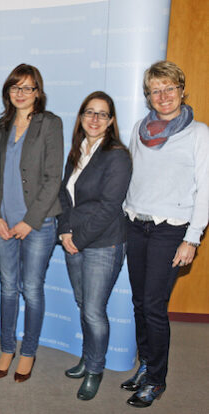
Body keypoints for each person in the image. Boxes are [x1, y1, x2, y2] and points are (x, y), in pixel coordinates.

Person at [121, 60, 209, 408]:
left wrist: (193, 237)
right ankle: (146, 365)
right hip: (136, 224)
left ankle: (157, 379)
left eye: (169, 88)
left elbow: (205, 189)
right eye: (156, 90)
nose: (164, 95)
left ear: (181, 90)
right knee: (140, 302)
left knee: (155, 306)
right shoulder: (140, 129)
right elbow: (133, 176)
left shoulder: (199, 133)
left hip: (170, 230)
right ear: (148, 96)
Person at [0, 63, 63, 382]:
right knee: (8, 288)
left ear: (38, 92)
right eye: (15, 87)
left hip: (39, 224)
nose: (21, 93)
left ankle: (29, 351)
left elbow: (53, 178)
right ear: (8, 92)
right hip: (2, 224)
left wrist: (29, 222)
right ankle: (8, 347)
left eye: (27, 88)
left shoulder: (50, 124)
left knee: (31, 289)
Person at [58, 91, 132, 400]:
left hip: (102, 243)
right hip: (73, 240)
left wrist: (77, 238)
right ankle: (88, 358)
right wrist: (64, 232)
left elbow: (109, 206)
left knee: (93, 310)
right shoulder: (77, 150)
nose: (95, 118)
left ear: (111, 120)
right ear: (81, 116)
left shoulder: (116, 155)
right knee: (82, 303)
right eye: (89, 112)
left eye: (102, 114)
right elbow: (63, 194)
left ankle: (95, 369)